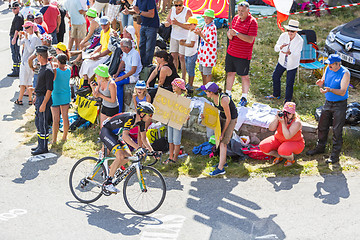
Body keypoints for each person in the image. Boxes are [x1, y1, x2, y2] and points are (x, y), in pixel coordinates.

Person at [100, 102, 158, 193]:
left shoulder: (141, 122)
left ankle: (110, 170)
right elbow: (125, 136)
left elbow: (144, 138)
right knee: (120, 155)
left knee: (127, 156)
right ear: (142, 114)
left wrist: (152, 151)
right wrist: (138, 148)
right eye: (150, 114)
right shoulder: (130, 118)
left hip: (114, 135)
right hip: (106, 132)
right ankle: (108, 183)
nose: (151, 117)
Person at [306, 54, 350, 164]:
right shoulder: (328, 69)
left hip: (340, 104)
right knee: (322, 125)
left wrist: (330, 90)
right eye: (328, 63)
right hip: (328, 102)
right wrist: (321, 84)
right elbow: (324, 81)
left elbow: (342, 91)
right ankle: (320, 147)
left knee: (337, 130)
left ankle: (335, 156)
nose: (328, 65)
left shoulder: (345, 73)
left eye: (331, 64)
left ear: (337, 64)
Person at [201, 82, 238, 176]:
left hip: (231, 119)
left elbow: (229, 118)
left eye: (206, 91)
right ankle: (223, 162)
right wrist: (205, 117)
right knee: (219, 140)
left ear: (211, 92)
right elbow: (214, 112)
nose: (205, 92)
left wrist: (223, 133)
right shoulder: (214, 98)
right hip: (222, 116)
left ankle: (221, 168)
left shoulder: (224, 100)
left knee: (223, 142)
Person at [225, 1, 258, 107]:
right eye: (238, 11)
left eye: (242, 11)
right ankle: (228, 94)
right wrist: (229, 34)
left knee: (244, 76)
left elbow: (250, 39)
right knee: (230, 73)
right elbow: (230, 36)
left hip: (243, 54)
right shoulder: (235, 18)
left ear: (248, 11)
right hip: (231, 51)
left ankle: (244, 97)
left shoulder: (253, 22)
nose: (240, 13)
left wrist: (238, 34)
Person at [266, 20, 303, 103]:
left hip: (292, 63)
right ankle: (276, 95)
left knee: (289, 82)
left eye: (292, 31)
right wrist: (280, 47)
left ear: (296, 31)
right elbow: (276, 48)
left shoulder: (299, 40)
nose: (290, 32)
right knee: (275, 76)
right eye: (288, 30)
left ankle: (287, 100)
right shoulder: (283, 36)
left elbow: (297, 53)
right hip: (282, 61)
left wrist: (290, 53)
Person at [259, 102, 305, 167]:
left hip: (294, 142)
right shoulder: (281, 118)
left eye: (289, 113)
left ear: (293, 114)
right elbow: (271, 128)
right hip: (279, 139)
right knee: (263, 146)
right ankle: (279, 156)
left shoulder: (297, 122)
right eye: (285, 112)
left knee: (283, 150)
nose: (287, 115)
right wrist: (276, 118)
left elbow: (287, 136)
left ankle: (291, 159)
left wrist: (283, 123)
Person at [79, 16, 113, 88]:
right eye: (102, 25)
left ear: (109, 24)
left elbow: (109, 50)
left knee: (92, 67)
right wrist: (94, 53)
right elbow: (101, 45)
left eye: (105, 25)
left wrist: (97, 56)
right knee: (86, 62)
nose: (103, 26)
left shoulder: (111, 33)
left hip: (107, 56)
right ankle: (85, 83)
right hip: (101, 54)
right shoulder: (102, 32)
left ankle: (88, 85)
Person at [32, 45, 54, 155]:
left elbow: (49, 89)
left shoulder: (48, 70)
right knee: (38, 122)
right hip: (40, 98)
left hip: (44, 100)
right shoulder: (42, 67)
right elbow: (41, 86)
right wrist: (36, 96)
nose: (36, 57)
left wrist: (44, 103)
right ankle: (40, 144)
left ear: (41, 56)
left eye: (37, 55)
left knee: (43, 123)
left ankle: (44, 147)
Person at [15, 21, 42, 106]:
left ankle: (23, 100)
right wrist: (20, 37)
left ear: (31, 28)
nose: (25, 29)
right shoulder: (29, 36)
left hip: (29, 62)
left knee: (26, 81)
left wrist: (26, 39)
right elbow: (19, 44)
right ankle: (25, 99)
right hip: (25, 61)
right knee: (25, 81)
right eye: (24, 28)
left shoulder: (34, 37)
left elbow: (30, 50)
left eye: (26, 28)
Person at [164, 0, 192, 80]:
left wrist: (178, 23)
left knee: (182, 57)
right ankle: (174, 76)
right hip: (174, 36)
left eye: (180, 5)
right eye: (176, 5)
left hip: (184, 37)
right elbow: (167, 20)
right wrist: (167, 23)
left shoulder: (187, 11)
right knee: (173, 57)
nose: (178, 7)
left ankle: (183, 78)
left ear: (183, 4)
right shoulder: (172, 9)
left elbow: (190, 26)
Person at [113, 38, 143, 112]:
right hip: (126, 73)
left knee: (116, 83)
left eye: (122, 46)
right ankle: (117, 106)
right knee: (113, 81)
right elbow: (122, 62)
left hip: (133, 76)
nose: (121, 48)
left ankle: (119, 109)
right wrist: (117, 73)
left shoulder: (134, 54)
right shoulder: (125, 52)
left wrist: (121, 78)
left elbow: (133, 70)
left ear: (126, 47)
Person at [163, 78, 188, 164]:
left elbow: (185, 110)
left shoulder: (183, 97)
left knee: (176, 141)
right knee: (170, 140)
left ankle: (175, 159)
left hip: (177, 121)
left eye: (175, 86)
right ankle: (170, 157)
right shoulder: (172, 96)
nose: (173, 87)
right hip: (170, 120)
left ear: (180, 87)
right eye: (173, 85)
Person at [90, 64, 119, 128]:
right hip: (104, 106)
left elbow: (113, 100)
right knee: (102, 127)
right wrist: (92, 88)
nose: (95, 74)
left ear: (101, 75)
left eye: (97, 73)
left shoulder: (111, 84)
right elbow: (95, 95)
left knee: (109, 129)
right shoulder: (99, 80)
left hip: (112, 108)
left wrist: (101, 95)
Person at [51, 54, 71, 144]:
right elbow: (65, 66)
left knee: (56, 119)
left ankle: (54, 140)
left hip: (56, 95)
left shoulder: (55, 71)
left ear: (58, 61)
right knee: (65, 117)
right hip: (66, 95)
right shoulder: (69, 69)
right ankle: (64, 137)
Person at [133, 0, 160, 67]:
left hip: (152, 26)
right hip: (143, 24)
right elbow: (137, 10)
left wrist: (139, 12)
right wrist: (129, 11)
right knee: (141, 46)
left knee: (149, 48)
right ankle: (142, 65)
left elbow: (151, 14)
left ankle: (148, 66)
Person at [194, 9, 217, 85]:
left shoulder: (213, 27)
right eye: (205, 18)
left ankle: (208, 88)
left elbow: (209, 41)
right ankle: (204, 86)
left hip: (208, 54)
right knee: (202, 70)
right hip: (203, 53)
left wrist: (200, 34)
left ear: (212, 18)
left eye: (208, 18)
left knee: (207, 73)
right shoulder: (205, 26)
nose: (206, 20)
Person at [180, 16, 199, 88]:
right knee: (188, 69)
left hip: (191, 54)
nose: (188, 26)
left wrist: (183, 44)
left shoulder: (194, 33)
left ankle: (190, 84)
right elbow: (189, 41)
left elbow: (192, 44)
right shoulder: (190, 32)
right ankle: (188, 83)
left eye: (190, 24)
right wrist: (184, 40)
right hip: (187, 53)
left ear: (194, 25)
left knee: (191, 70)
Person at [132, 80, 151, 147]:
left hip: (147, 115)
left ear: (144, 89)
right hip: (139, 114)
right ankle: (139, 147)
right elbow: (136, 107)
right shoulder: (134, 96)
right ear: (135, 89)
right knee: (139, 132)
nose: (139, 90)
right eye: (138, 88)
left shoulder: (147, 97)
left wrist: (143, 114)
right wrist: (138, 116)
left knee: (143, 131)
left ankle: (145, 147)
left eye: (141, 88)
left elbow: (148, 109)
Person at [8, 2, 24, 77]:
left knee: (15, 53)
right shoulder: (18, 16)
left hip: (15, 37)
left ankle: (16, 70)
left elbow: (17, 29)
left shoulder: (18, 17)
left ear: (18, 8)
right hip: (16, 37)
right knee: (16, 53)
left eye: (15, 8)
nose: (13, 10)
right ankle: (18, 68)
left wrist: (14, 38)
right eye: (12, 9)